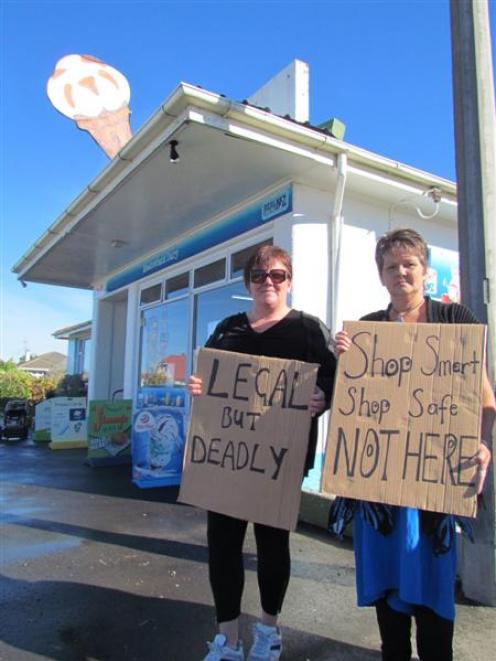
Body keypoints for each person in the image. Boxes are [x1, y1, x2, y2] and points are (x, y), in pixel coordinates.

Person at [329, 228, 496, 661]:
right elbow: (352, 405)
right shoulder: (367, 332)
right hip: (382, 495)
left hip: (432, 492)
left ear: (425, 270)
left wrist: (482, 444)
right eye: (391, 266)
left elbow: (483, 398)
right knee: (390, 607)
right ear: (381, 276)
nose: (400, 272)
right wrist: (343, 358)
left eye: (409, 264)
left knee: (435, 603)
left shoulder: (454, 320)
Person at [188, 244, 336, 661]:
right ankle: (229, 640)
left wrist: (322, 396)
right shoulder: (228, 328)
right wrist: (199, 387)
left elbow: (335, 381)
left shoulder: (309, 330)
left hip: (278, 461)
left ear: (289, 281)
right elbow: (208, 376)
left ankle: (269, 633)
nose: (268, 282)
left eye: (277, 275)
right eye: (259, 275)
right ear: (247, 283)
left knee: (273, 547)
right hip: (226, 458)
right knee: (223, 545)